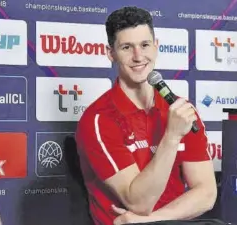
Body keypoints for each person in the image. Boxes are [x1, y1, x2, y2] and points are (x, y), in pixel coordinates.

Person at [75, 6, 217, 225]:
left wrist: (154, 219)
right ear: (110, 53)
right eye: (126, 47)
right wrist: (171, 136)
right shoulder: (99, 119)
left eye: (144, 45)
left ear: (156, 47)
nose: (138, 56)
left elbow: (207, 193)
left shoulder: (180, 110)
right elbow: (139, 203)